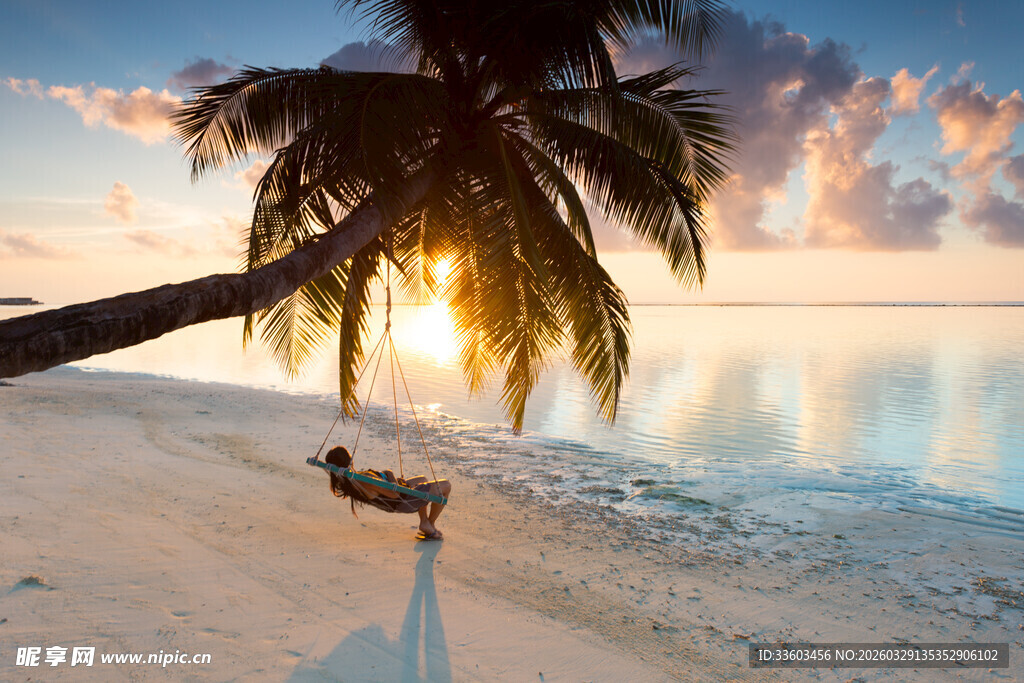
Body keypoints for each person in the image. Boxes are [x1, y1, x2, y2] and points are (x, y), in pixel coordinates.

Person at [324, 446, 451, 540]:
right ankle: (431, 523)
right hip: (403, 500)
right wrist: (389, 473)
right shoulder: (365, 480)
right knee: (446, 486)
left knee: (422, 479)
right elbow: (394, 494)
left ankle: (424, 522)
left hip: (395, 499)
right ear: (349, 461)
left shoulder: (346, 481)